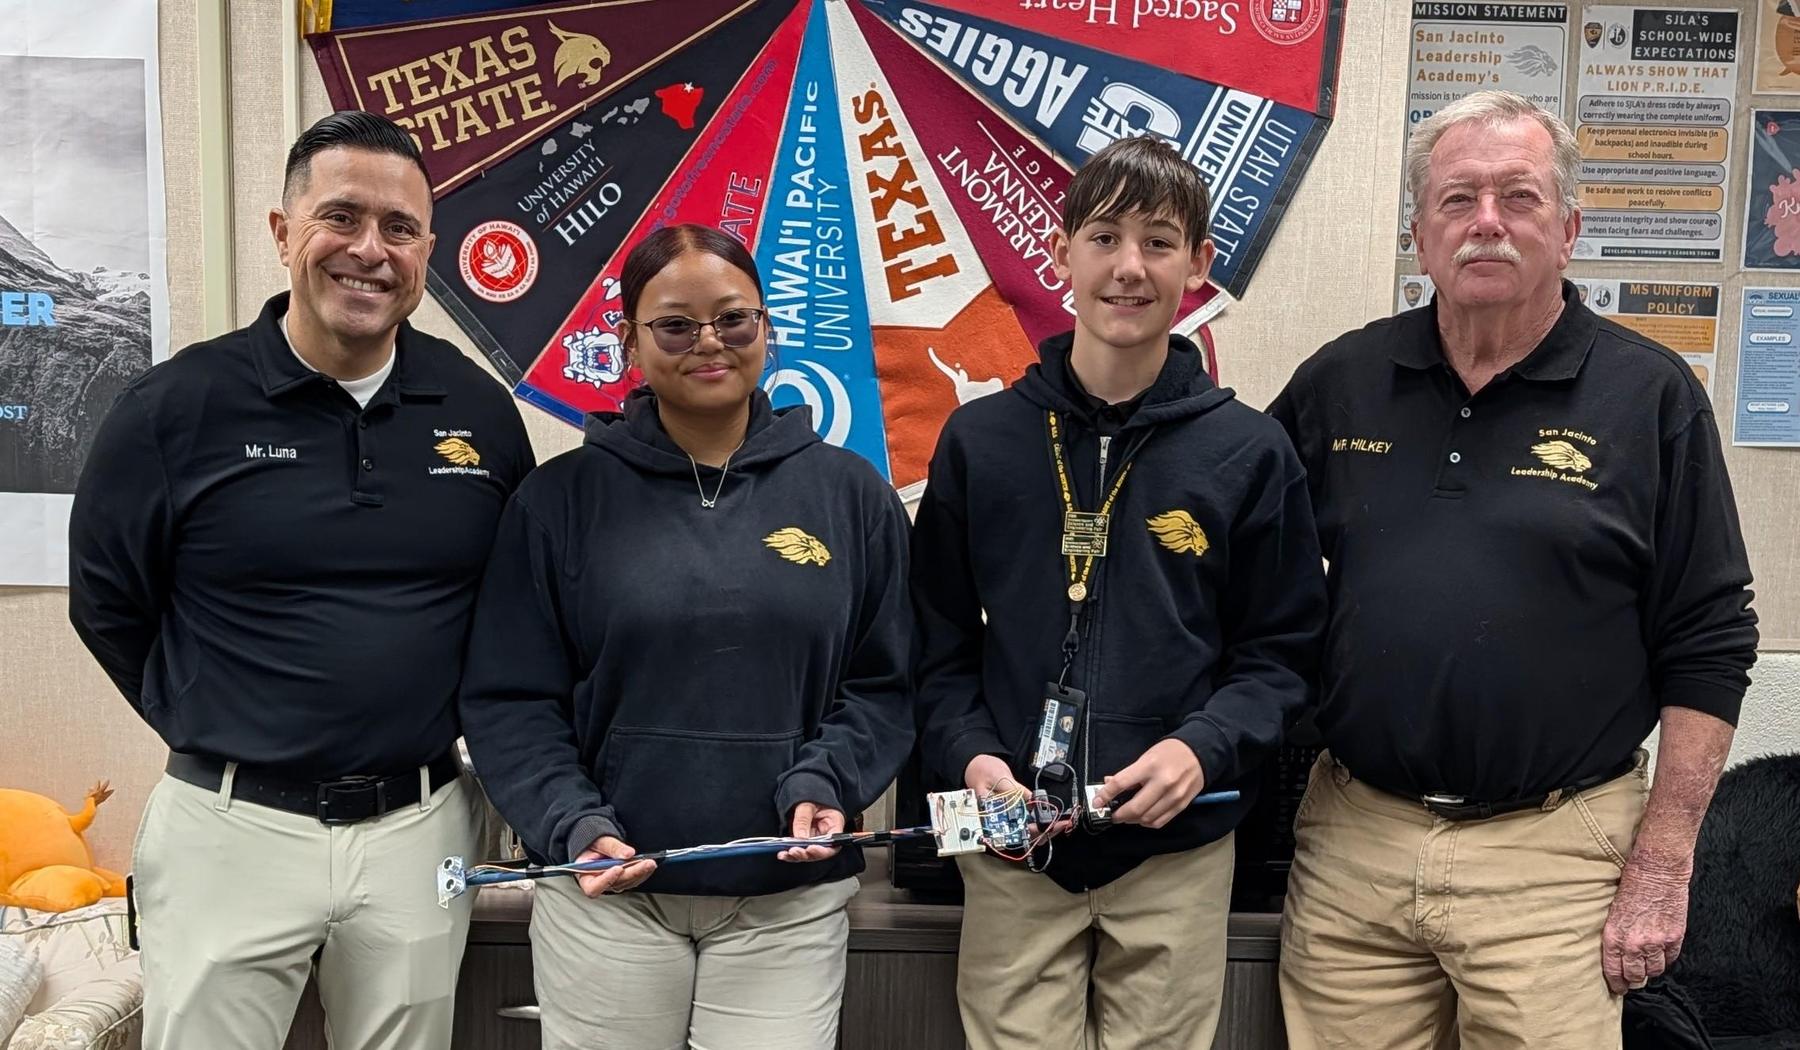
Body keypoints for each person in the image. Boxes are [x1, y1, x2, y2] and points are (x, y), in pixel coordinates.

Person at [1270, 90, 1758, 1050]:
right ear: (1419, 234)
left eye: (1519, 197)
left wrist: (1664, 861)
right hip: (1355, 848)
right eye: (1457, 199)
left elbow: (1709, 637)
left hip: (1556, 857)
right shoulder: (1341, 382)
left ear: (1568, 230)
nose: (1486, 221)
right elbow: (1241, 557)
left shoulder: (1650, 398)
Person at [66, 110, 535, 1049]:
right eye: (341, 218)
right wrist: (214, 716)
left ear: (426, 250)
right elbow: (108, 603)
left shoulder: (478, 410)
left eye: (400, 228)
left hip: (418, 827)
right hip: (230, 827)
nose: (370, 250)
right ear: (284, 234)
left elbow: (511, 604)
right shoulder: (174, 409)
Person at [910, 135, 1327, 1049]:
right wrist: (971, 756)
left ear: (1198, 264)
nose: (1129, 267)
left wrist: (1202, 751)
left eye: (1159, 241)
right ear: (1061, 254)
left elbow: (1283, 654)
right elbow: (933, 644)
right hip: (1013, 840)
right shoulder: (980, 442)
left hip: (1176, 845)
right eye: (1103, 237)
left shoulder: (1250, 452)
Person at [457, 223, 915, 1050]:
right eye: (674, 325)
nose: (709, 342)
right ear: (629, 341)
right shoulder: (558, 502)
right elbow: (510, 700)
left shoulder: (852, 497)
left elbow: (884, 686)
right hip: (607, 895)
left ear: (766, 329)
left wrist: (827, 780)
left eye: (733, 319)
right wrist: (573, 822)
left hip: (786, 900)